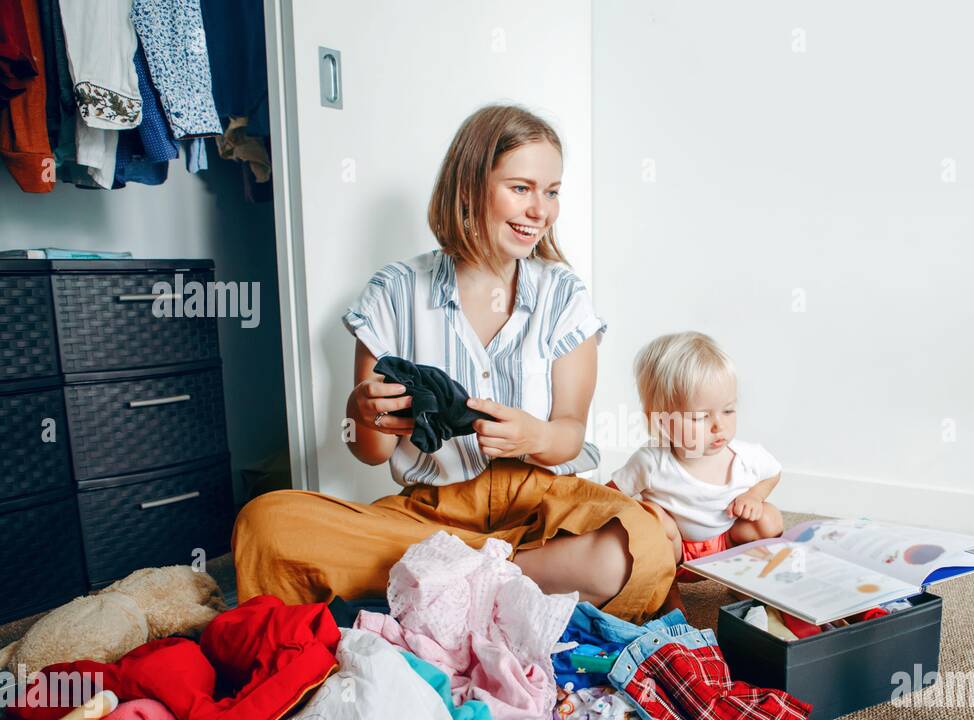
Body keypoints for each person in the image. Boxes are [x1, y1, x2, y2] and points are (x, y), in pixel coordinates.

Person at [232, 104, 675, 622]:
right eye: (521, 188)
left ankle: (439, 586)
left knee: (642, 541)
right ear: (469, 185)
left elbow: (570, 434)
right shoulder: (394, 291)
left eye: (552, 191)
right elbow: (370, 453)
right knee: (267, 523)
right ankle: (494, 585)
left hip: (540, 511)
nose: (541, 210)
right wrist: (363, 409)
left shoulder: (564, 295)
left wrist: (534, 436)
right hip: (429, 516)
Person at [608, 332, 784, 575]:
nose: (718, 426)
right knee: (651, 515)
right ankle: (666, 593)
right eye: (701, 417)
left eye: (729, 411)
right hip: (676, 554)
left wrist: (755, 496)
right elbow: (609, 496)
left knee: (769, 518)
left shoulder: (745, 457)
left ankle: (748, 585)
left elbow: (773, 473)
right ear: (661, 421)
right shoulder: (651, 461)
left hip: (729, 547)